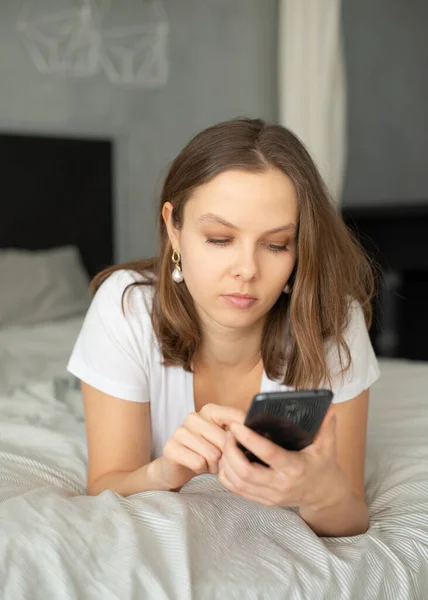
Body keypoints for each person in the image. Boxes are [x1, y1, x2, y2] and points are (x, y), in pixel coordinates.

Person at [67, 118, 380, 538]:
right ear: (173, 228)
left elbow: (351, 516)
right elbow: (106, 484)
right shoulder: (126, 306)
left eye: (276, 244)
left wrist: (321, 493)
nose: (247, 270)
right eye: (219, 238)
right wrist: (165, 471)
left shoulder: (334, 321)